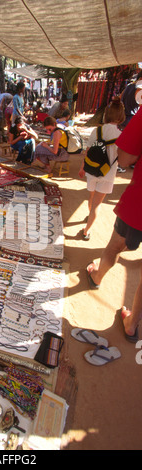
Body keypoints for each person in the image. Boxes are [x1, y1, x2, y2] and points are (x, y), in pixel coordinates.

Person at [86, 106, 142, 342]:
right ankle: (133, 322)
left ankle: (97, 276)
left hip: (139, 202)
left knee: (116, 244)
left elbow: (127, 157)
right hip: (108, 178)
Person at [78, 97, 125, 240]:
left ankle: (89, 216)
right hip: (107, 174)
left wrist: (82, 168)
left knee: (91, 198)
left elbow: (88, 152)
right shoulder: (121, 136)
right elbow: (122, 160)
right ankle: (87, 231)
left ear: (107, 114)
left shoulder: (96, 131)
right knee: (97, 204)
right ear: (121, 116)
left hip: (92, 170)